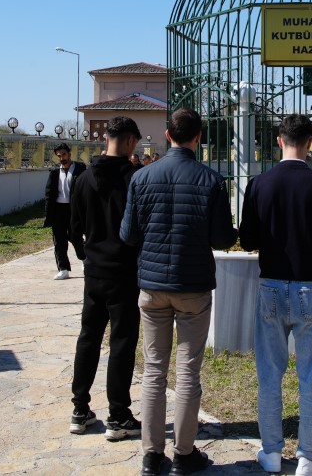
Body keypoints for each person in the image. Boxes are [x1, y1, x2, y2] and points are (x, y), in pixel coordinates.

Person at [120, 107, 238, 476]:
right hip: (193, 287)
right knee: (188, 372)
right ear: (198, 138)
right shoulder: (211, 180)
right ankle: (184, 454)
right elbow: (221, 238)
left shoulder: (141, 178)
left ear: (168, 135)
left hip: (152, 287)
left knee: (154, 370)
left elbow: (128, 236)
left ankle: (151, 454)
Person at [240, 114, 312, 476]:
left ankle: (270, 452)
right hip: (308, 287)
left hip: (270, 284)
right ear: (311, 142)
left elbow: (248, 239)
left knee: (269, 374)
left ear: (278, 141)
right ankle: (308, 456)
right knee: (311, 375)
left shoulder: (258, 184)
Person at [67, 116, 143, 440]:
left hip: (94, 273)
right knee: (122, 342)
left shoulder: (82, 179)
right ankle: (118, 415)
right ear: (129, 142)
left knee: (88, 337)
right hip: (124, 272)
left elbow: (73, 228)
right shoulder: (134, 179)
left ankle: (79, 410)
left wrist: (87, 256)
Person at [43, 143, 86, 280]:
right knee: (59, 241)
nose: (62, 158)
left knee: (75, 237)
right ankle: (63, 268)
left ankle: (84, 259)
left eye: (64, 155)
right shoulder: (55, 173)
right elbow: (49, 193)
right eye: (59, 156)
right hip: (58, 210)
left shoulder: (80, 169)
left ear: (69, 154)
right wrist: (48, 213)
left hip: (74, 210)